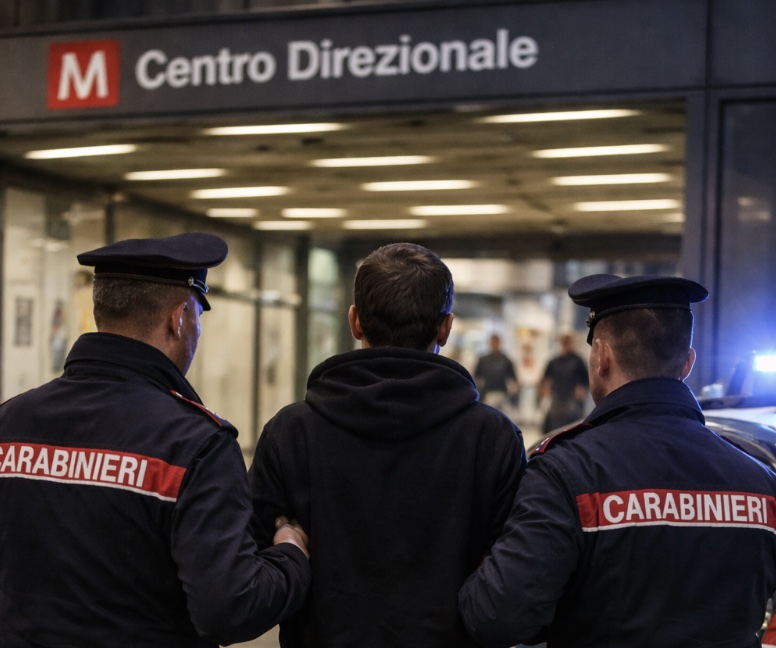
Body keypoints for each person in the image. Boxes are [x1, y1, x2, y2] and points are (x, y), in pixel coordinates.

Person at [0, 233, 311, 647]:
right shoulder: (195, 444)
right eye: (199, 315)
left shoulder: (10, 422)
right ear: (179, 318)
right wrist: (291, 557)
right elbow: (230, 608)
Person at [459, 273, 776, 648]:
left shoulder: (567, 474)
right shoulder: (760, 483)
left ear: (602, 356)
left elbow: (497, 618)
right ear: (687, 363)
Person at [249, 242, 526, 647]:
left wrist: (291, 552)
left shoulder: (290, 432)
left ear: (354, 322)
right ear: (446, 328)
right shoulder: (494, 439)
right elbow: (513, 585)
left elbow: (251, 582)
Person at [539, 331, 589, 433]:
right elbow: (546, 379)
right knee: (555, 424)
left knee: (572, 423)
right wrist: (545, 390)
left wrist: (582, 390)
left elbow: (585, 379)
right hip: (557, 396)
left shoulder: (578, 361)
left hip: (572, 397)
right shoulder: (554, 361)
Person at [474, 333, 519, 411]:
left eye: (496, 342)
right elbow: (477, 375)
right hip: (488, 392)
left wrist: (514, 389)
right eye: (492, 342)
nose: (494, 344)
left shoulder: (505, 360)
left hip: (502, 392)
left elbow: (513, 377)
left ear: (499, 343)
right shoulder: (484, 360)